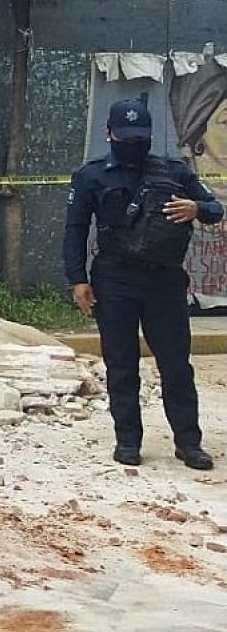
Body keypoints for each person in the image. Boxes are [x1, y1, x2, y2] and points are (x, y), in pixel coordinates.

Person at [63, 97, 219, 471]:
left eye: (140, 137)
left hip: (165, 282)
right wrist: (77, 279)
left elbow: (215, 209)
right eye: (126, 136)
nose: (133, 143)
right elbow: (75, 229)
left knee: (176, 365)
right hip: (114, 279)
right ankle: (128, 442)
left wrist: (197, 208)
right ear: (110, 134)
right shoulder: (92, 176)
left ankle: (188, 443)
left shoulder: (174, 172)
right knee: (121, 364)